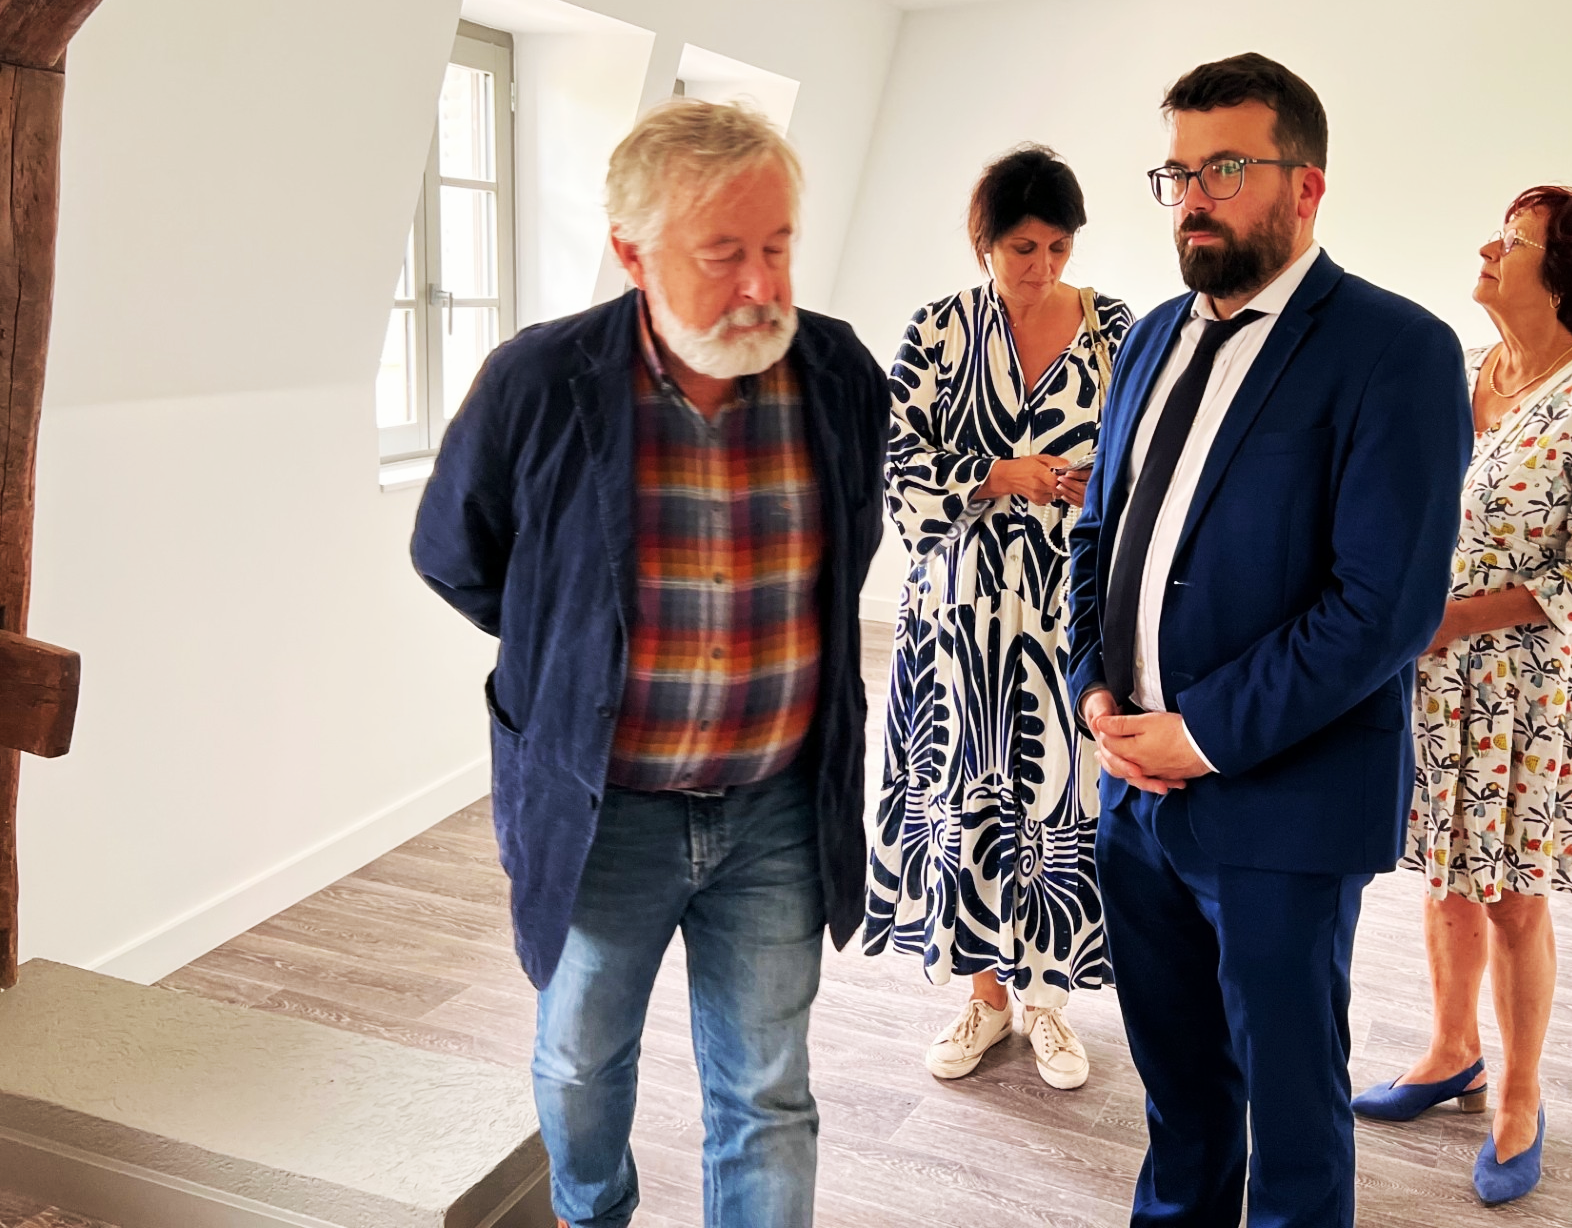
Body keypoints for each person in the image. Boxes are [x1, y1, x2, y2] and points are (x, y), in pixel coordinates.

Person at [410, 99, 888, 1228]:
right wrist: (575, 648)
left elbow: (849, 550)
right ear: (631, 255)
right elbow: (454, 555)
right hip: (602, 810)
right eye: (723, 254)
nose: (762, 285)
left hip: (776, 808)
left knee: (767, 1092)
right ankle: (593, 1214)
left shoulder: (835, 372)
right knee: (580, 1064)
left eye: (777, 246)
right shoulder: (540, 381)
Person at [1067, 52, 1473, 1228]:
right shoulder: (1148, 336)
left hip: (1283, 807)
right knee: (1179, 1101)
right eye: (1178, 173)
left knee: (1292, 1126)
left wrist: (1198, 735)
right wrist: (1097, 693)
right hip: (1133, 794)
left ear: (1307, 186)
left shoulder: (1396, 350)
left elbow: (1384, 607)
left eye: (1226, 170)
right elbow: (1100, 533)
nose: (1193, 198)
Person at [1353, 188, 1572, 1206]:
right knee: (1446, 875)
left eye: (1517, 240)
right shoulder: (1462, 373)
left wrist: (1455, 617)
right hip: (1433, 677)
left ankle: (1520, 1096)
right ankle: (1452, 1053)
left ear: (1562, 279)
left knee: (1512, 892)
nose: (1489, 246)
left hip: (1528, 691)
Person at [864, 145, 1134, 1091]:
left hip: (1069, 602)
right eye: (1024, 247)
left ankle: (1049, 1003)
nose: (1043, 266)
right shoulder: (938, 330)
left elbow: (1151, 458)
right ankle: (984, 998)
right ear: (984, 242)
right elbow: (897, 461)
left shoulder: (1112, 330)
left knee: (1063, 797)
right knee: (970, 793)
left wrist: (1095, 485)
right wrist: (998, 474)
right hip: (961, 612)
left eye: (1059, 246)